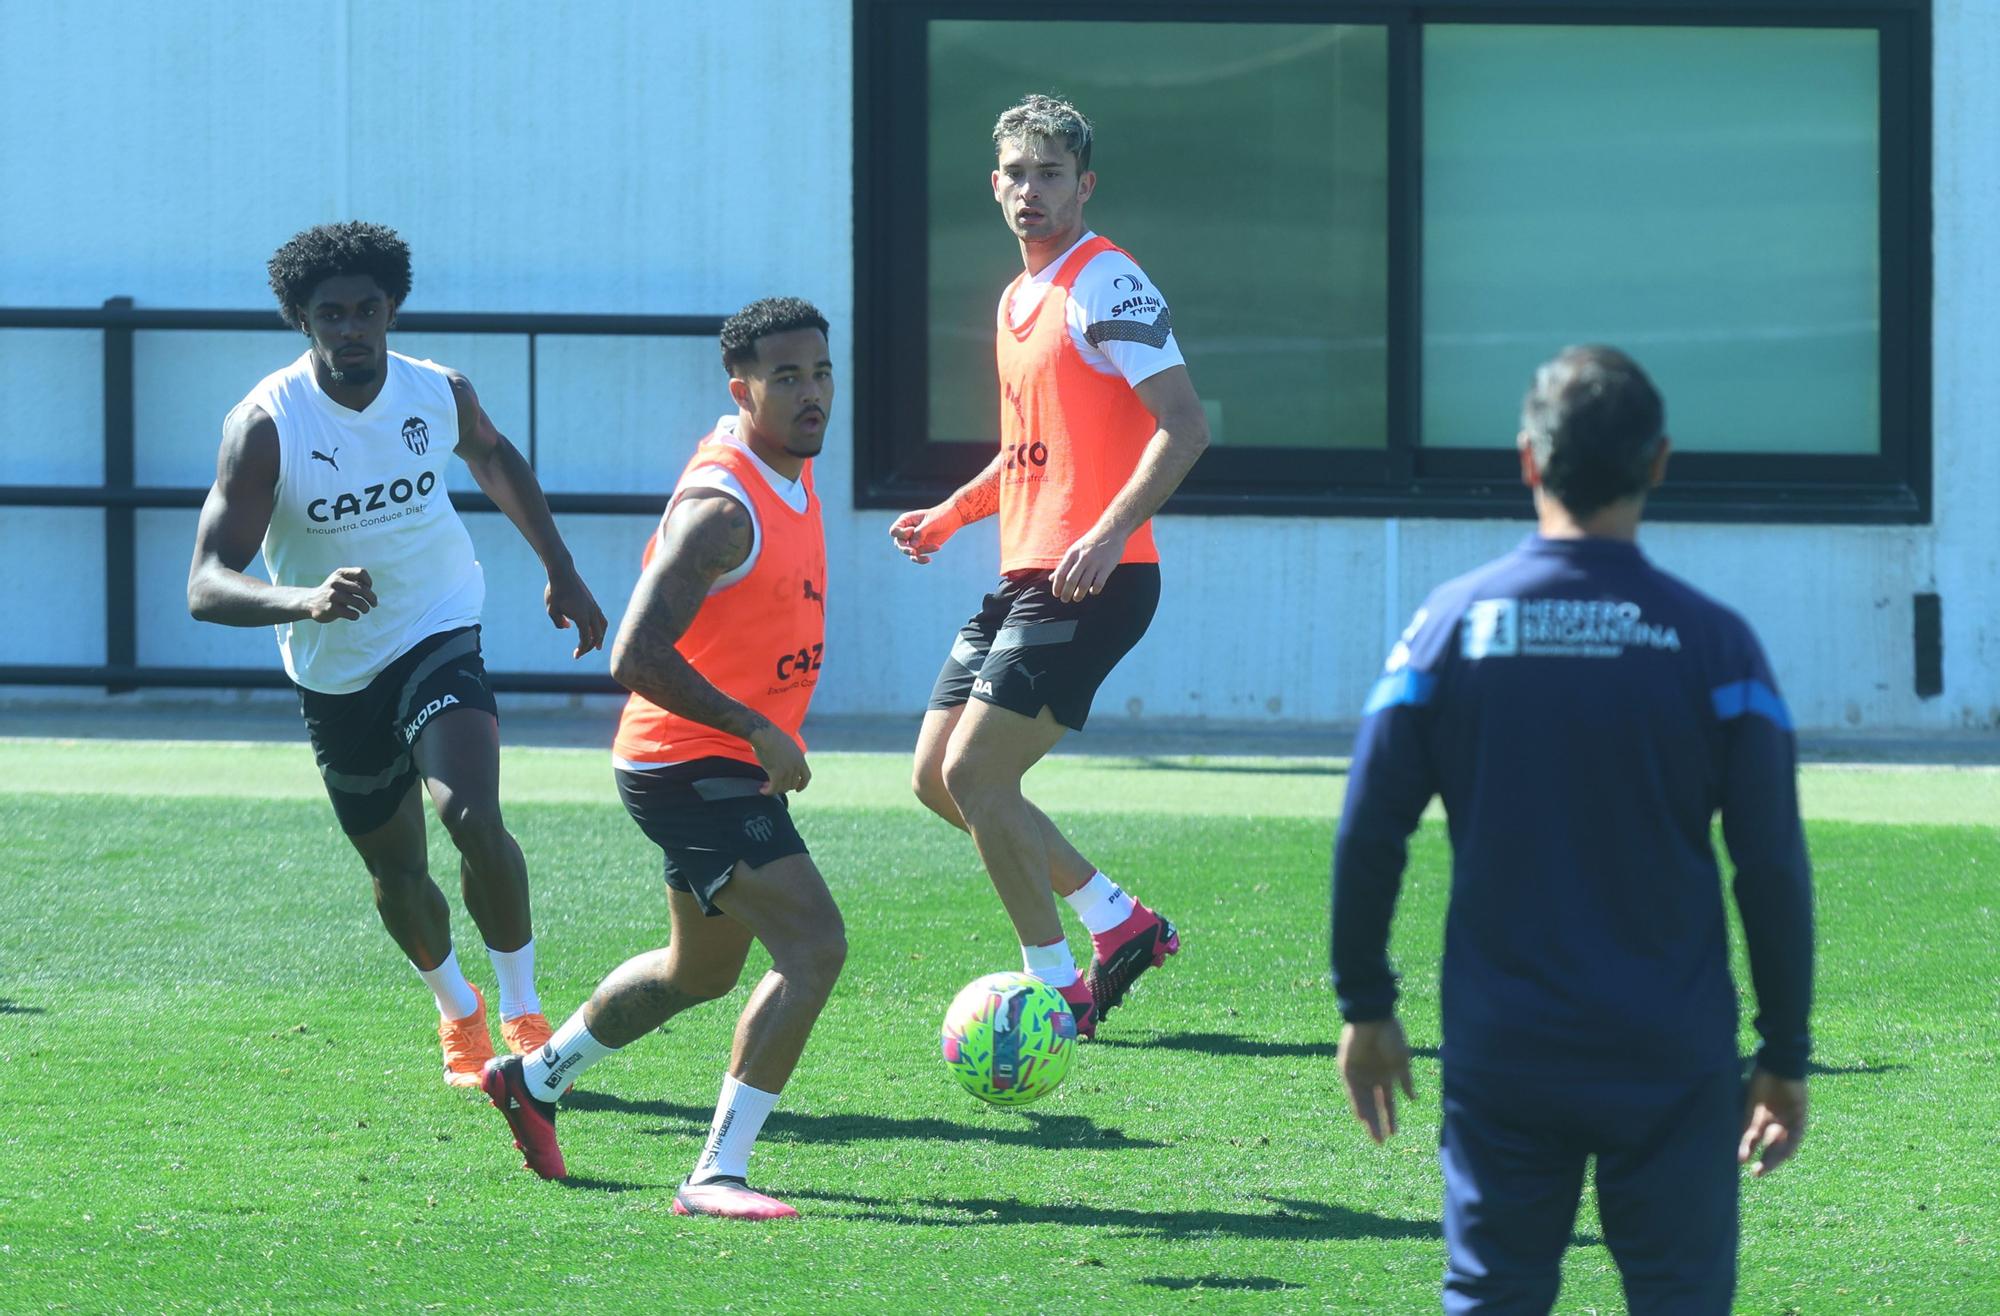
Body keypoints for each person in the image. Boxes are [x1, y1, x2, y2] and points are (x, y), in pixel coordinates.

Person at [1330, 347, 1815, 1313]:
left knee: (1492, 1293)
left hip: (1505, 1045)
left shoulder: (1451, 626)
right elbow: (1769, 867)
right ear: (1660, 462)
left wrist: (1366, 1004)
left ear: (1527, 461)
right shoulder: (1718, 645)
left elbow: (1370, 829)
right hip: (1670, 1051)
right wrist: (1784, 1052)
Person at [187, 221, 606, 1087]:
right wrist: (303, 598)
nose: (351, 329)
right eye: (330, 314)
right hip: (335, 668)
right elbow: (206, 583)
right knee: (396, 870)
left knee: (471, 817)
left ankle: (526, 1014)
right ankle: (459, 1011)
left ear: (392, 310)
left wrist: (561, 569)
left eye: (367, 310)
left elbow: (493, 457)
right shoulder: (266, 425)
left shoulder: (436, 391)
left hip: (438, 624)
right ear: (301, 320)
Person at [480, 297, 846, 1221]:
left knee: (701, 971)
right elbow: (632, 653)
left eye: (821, 372)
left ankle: (535, 1079)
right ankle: (716, 1176)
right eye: (786, 378)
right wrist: (757, 727)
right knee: (813, 945)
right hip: (690, 765)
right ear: (743, 390)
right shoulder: (724, 510)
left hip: (711, 762)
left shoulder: (784, 471)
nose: (811, 394)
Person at [889, 94, 1209, 1037]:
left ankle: (1056, 983)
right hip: (1025, 571)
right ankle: (1120, 922)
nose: (1032, 191)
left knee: (980, 777)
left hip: (1098, 576)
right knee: (937, 780)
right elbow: (1029, 450)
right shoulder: (1018, 297)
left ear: (1085, 184)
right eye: (1017, 175)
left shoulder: (1107, 281)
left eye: (1051, 174)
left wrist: (1110, 533)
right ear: (995, 186)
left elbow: (1185, 427)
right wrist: (951, 514)